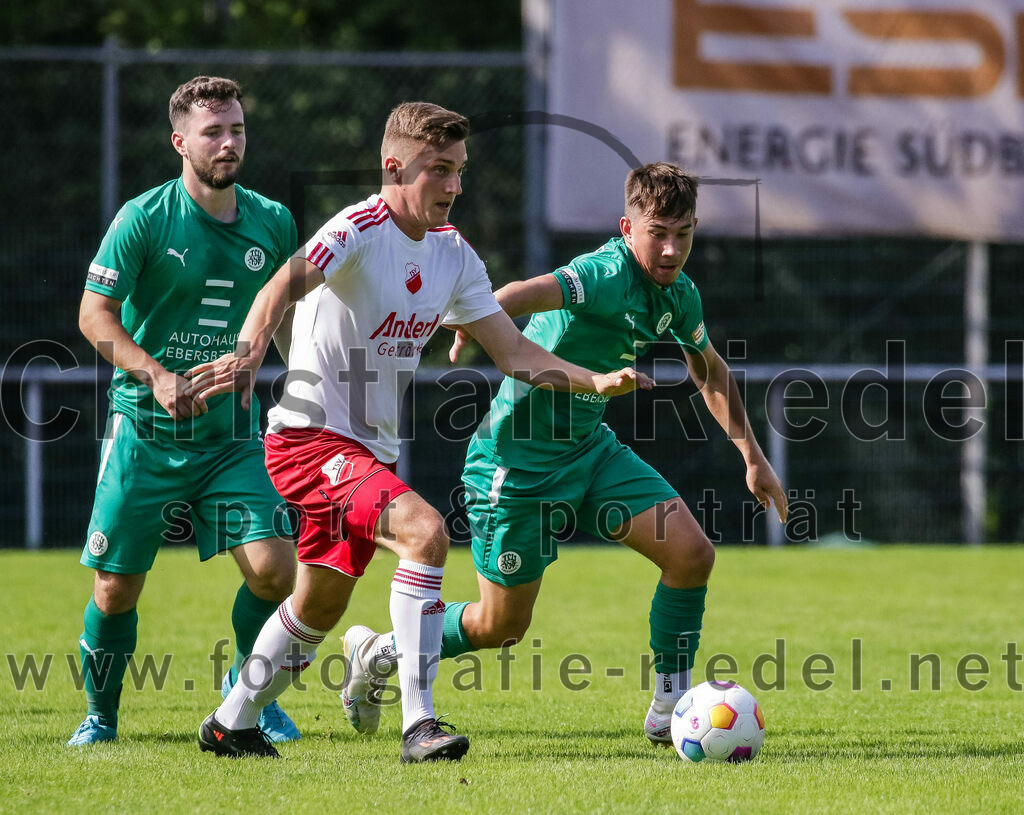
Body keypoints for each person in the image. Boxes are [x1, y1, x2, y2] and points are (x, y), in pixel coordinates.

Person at [184, 101, 652, 762]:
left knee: (317, 607)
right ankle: (419, 722)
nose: (455, 185)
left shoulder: (453, 254)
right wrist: (249, 349)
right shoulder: (359, 227)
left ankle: (230, 722)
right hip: (309, 438)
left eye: (459, 170)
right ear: (394, 166)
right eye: (439, 170)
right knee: (425, 532)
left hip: (366, 448)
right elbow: (280, 286)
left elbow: (515, 351)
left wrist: (593, 380)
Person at [342, 162, 789, 747]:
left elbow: (707, 369)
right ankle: (382, 651)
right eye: (658, 233)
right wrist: (476, 322)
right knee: (500, 625)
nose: (672, 248)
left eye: (684, 234)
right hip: (515, 465)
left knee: (692, 555)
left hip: (590, 451)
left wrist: (752, 458)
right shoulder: (601, 273)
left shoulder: (678, 294)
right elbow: (521, 293)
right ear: (627, 227)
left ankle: (670, 705)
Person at [69, 76, 300, 747]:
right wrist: (157, 374)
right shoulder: (144, 218)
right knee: (115, 588)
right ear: (180, 142)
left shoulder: (274, 220)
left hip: (230, 436)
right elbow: (93, 316)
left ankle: (246, 690)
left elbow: (281, 314)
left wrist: (307, 385)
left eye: (237, 130)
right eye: (213, 132)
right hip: (145, 428)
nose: (228, 143)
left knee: (276, 569)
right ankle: (101, 718)